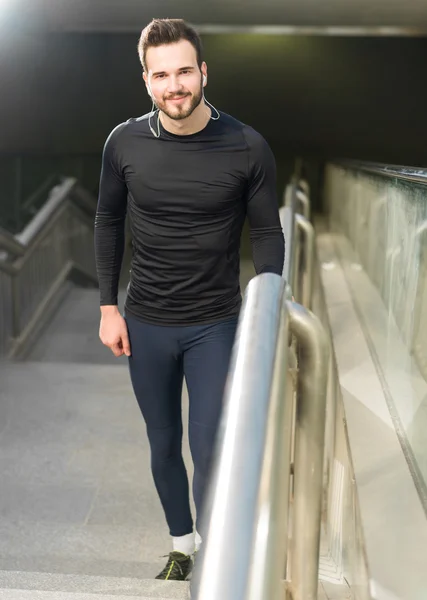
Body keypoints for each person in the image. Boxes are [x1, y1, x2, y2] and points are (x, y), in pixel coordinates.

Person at [94, 18, 285, 581]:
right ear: (147, 81)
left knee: (210, 445)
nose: (174, 86)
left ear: (203, 72)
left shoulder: (247, 145)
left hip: (215, 323)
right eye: (161, 76)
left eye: (183, 71)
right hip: (146, 321)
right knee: (162, 443)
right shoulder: (123, 142)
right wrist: (108, 307)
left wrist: (266, 305)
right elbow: (108, 220)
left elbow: (268, 234)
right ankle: (183, 543)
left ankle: (217, 559)